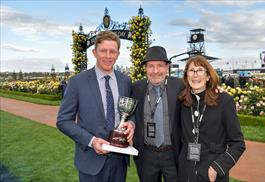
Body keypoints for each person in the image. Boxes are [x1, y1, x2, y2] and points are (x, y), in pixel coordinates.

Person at [56, 31, 135, 182]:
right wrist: (92, 141)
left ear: (118, 54)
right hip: (90, 161)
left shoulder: (125, 80)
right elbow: (63, 121)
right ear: (94, 52)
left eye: (112, 51)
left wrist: (131, 123)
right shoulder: (77, 82)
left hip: (119, 161)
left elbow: (130, 113)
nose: (108, 55)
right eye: (103, 51)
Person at [178, 55, 245, 182]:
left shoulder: (224, 101)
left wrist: (217, 168)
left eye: (200, 70)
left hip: (211, 174)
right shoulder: (182, 101)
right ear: (186, 76)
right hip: (185, 173)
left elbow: (238, 143)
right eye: (191, 70)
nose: (195, 75)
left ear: (208, 76)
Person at [132, 46, 184, 182]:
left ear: (167, 67)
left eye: (160, 66)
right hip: (147, 155)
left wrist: (216, 90)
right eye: (151, 66)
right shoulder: (137, 88)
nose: (155, 71)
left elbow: (200, 93)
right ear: (145, 68)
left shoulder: (180, 86)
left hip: (173, 154)